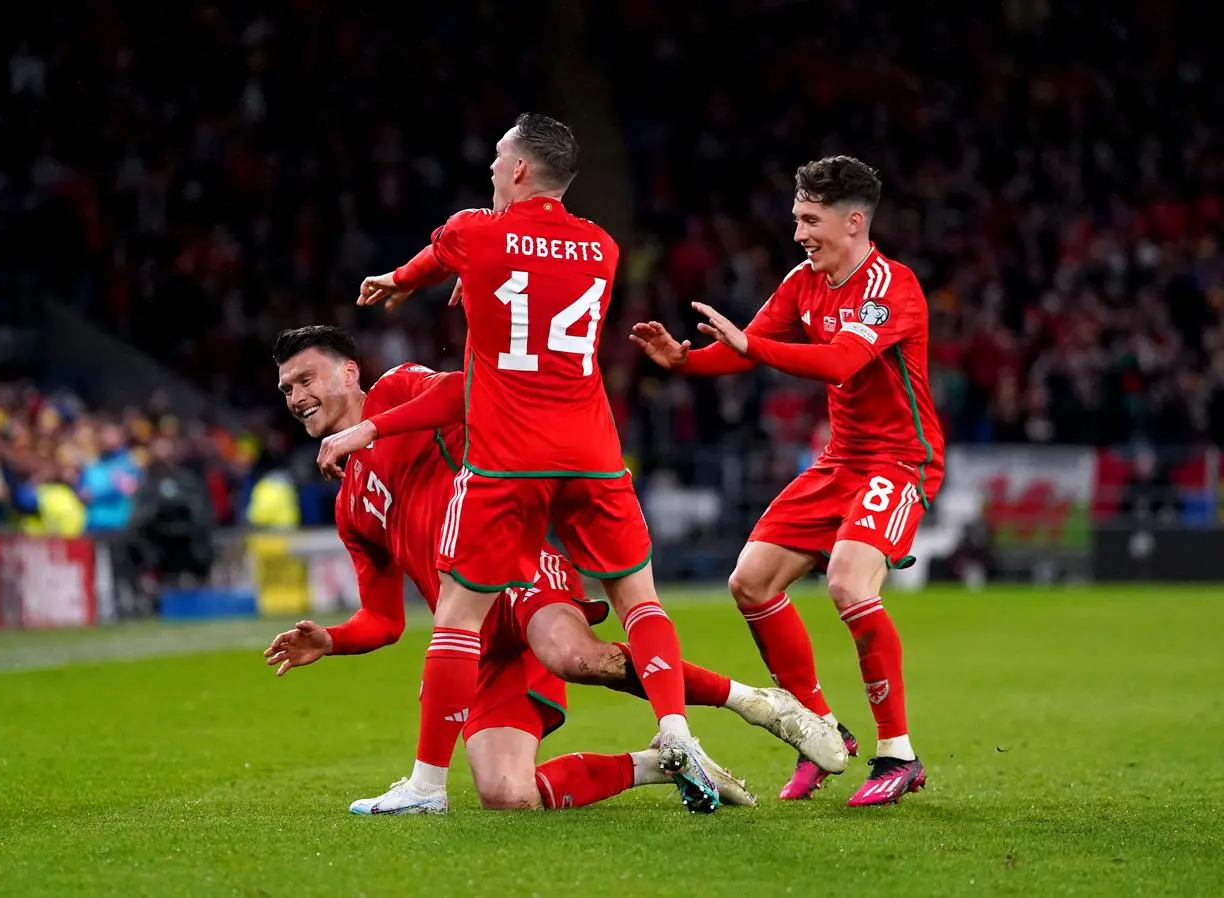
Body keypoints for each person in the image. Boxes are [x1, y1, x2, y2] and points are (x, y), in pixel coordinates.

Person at [267, 326, 847, 814]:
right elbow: (384, 619)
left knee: (574, 657)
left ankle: (757, 703)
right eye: (287, 388)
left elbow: (473, 391)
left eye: (306, 378)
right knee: (508, 796)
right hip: (473, 640)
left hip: (513, 568)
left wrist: (370, 428)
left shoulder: (396, 392)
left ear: (349, 373)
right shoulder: (348, 505)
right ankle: (657, 765)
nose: (296, 396)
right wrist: (332, 640)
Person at [355, 114, 720, 811]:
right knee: (639, 600)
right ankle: (675, 732)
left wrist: (401, 279)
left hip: (507, 458)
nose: (491, 170)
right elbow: (535, 284)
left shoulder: (473, 232)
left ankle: (427, 785)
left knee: (460, 619)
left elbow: (444, 258)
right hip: (590, 451)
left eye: (498, 159)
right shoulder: (604, 248)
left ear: (519, 170)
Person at [630, 155, 946, 806]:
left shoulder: (893, 287)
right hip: (840, 462)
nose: (798, 231)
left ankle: (898, 753)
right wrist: (686, 361)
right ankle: (821, 731)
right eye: (795, 216)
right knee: (749, 582)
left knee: (848, 583)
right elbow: (749, 344)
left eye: (810, 218)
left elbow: (836, 361)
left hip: (899, 460)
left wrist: (748, 347)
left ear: (853, 222)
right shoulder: (804, 282)